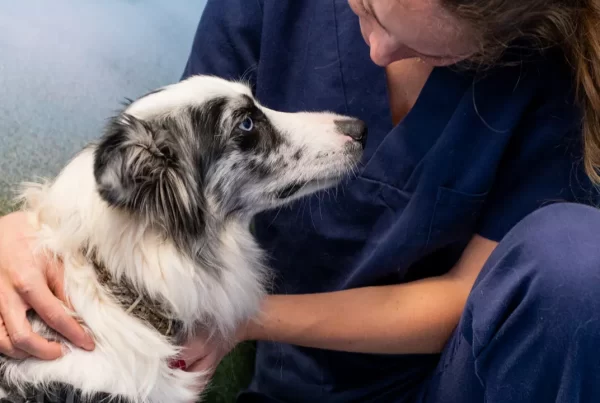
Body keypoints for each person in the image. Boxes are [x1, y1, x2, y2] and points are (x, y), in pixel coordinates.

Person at [1, 0, 600, 401]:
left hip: (454, 383)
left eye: (437, 53)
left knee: (579, 262)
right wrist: (33, 228)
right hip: (298, 390)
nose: (378, 53)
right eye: (364, 5)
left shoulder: (548, 75)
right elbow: (166, 156)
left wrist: (242, 320)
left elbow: (473, 294)